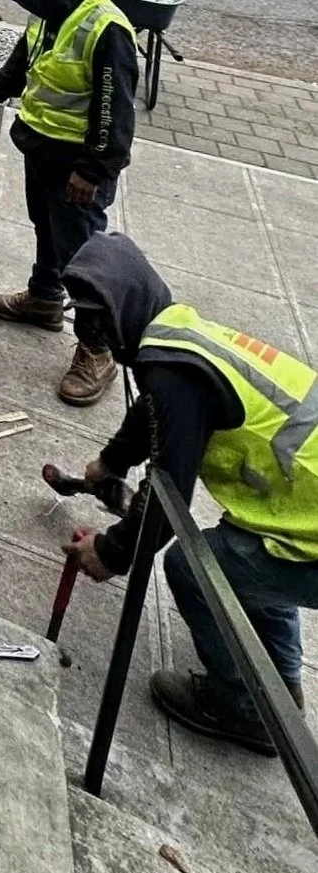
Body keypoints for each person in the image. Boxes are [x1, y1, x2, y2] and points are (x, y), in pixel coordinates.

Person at [58, 232, 318, 755]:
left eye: (95, 321)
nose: (91, 334)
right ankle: (280, 681)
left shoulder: (172, 374)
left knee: (195, 566)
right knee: (252, 552)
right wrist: (110, 462)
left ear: (120, 312)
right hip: (298, 510)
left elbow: (165, 497)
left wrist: (111, 552)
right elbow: (154, 408)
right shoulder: (179, 333)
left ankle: (246, 710)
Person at [0, 0, 137, 406]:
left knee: (82, 257)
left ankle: (98, 351)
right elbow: (24, 61)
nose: (24, 9)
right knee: (47, 230)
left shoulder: (106, 29)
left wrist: (93, 171)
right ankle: (43, 298)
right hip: (40, 148)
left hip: (78, 168)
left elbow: (115, 112)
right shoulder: (48, 12)